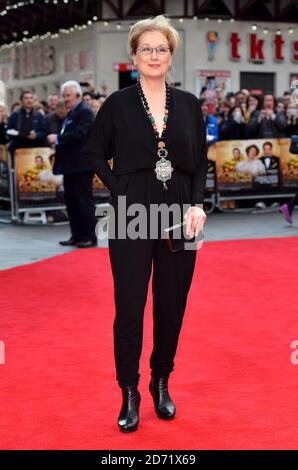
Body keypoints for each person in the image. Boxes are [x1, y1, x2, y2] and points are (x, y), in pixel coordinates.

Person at [84, 15, 208, 433]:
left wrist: (196, 204)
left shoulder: (190, 104)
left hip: (180, 216)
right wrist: (121, 190)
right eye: (146, 49)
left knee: (172, 304)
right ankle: (129, 391)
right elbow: (94, 153)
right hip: (131, 215)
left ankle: (161, 382)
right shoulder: (117, 104)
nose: (154, 55)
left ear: (171, 56)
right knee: (131, 306)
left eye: (162, 49)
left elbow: (200, 165)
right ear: (133, 56)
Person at [47, 81, 97, 248]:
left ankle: (88, 236)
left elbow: (80, 133)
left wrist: (58, 138)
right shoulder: (71, 113)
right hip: (70, 165)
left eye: (68, 96)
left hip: (81, 165)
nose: (65, 99)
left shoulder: (84, 112)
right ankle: (76, 235)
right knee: (71, 201)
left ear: (77, 95)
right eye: (64, 96)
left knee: (83, 201)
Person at [6, 91, 47, 156]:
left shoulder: (39, 116)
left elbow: (44, 132)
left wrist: (36, 135)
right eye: (26, 98)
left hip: (34, 150)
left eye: (31, 98)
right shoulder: (14, 115)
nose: (29, 100)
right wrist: (17, 134)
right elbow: (8, 131)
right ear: (21, 100)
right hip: (18, 149)